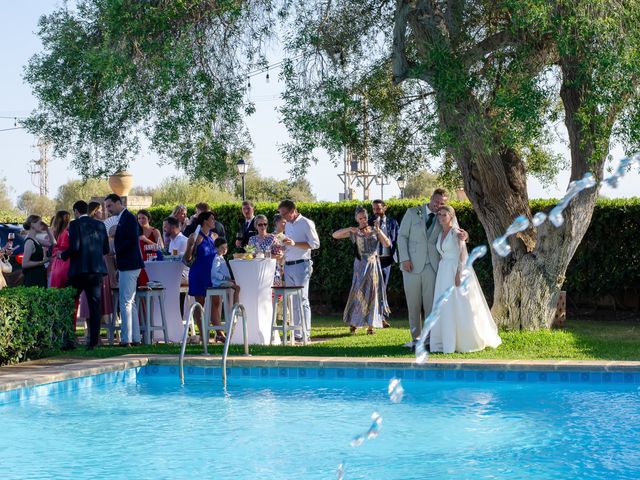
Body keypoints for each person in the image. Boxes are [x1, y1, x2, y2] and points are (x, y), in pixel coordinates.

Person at [397, 188, 467, 350]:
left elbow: (457, 233)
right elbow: (402, 237)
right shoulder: (412, 212)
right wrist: (405, 258)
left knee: (431, 304)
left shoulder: (443, 216)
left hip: (433, 266)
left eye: (442, 203)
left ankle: (428, 339)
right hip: (411, 265)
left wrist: (466, 235)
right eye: (436, 202)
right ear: (431, 198)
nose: (438, 205)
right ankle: (415, 338)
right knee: (413, 304)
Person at [429, 205, 502, 352]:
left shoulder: (457, 233)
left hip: (455, 269)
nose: (441, 218)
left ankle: (464, 340)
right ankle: (444, 340)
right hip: (443, 271)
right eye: (439, 215)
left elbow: (463, 253)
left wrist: (459, 273)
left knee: (459, 303)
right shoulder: (440, 234)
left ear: (451, 216)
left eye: (444, 215)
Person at [60, 200, 110, 349]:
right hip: (96, 271)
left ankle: (69, 340)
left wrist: (63, 255)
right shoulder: (100, 225)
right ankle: (93, 342)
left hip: (79, 271)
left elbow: (75, 247)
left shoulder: (75, 224)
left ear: (76, 211)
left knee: (68, 303)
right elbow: (106, 249)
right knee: (95, 306)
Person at [333, 206, 391, 334]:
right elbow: (335, 235)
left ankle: (371, 326)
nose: (363, 220)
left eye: (364, 218)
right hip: (360, 266)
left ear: (367, 217)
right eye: (360, 218)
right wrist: (348, 229)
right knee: (358, 293)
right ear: (356, 219)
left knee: (373, 293)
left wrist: (379, 230)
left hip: (373, 265)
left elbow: (387, 244)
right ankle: (354, 322)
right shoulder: (354, 232)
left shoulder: (374, 231)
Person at [104, 193, 145, 347]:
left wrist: (115, 251)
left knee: (125, 302)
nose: (108, 209)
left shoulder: (127, 217)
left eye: (109, 206)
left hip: (129, 264)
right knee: (130, 302)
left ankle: (126, 338)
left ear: (118, 203)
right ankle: (134, 338)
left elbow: (132, 241)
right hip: (129, 263)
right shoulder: (124, 218)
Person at [278, 199, 320, 342]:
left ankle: (306, 333)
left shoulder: (306, 223)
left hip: (302, 264)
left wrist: (295, 243)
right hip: (288, 264)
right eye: (281, 214)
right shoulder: (288, 224)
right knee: (293, 300)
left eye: (285, 214)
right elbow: (291, 245)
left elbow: (315, 244)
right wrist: (284, 247)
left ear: (292, 211)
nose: (283, 217)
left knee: (302, 299)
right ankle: (297, 333)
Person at [183, 211, 224, 342]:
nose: (214, 221)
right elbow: (187, 258)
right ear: (205, 221)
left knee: (216, 302)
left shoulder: (214, 236)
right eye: (212, 218)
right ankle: (203, 334)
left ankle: (219, 333)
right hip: (199, 274)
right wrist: (190, 245)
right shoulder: (195, 237)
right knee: (200, 304)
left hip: (212, 275)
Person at [78, 202, 114, 326]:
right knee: (96, 300)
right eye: (100, 210)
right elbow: (106, 249)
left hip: (85, 266)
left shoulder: (80, 225)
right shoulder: (100, 226)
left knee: (91, 300)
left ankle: (93, 335)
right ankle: (94, 335)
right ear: (94, 211)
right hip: (98, 264)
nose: (102, 212)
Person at [370, 199, 399, 328]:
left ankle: (382, 317)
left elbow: (397, 240)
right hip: (372, 260)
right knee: (372, 289)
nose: (376, 211)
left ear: (384, 208)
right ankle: (371, 317)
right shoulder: (368, 222)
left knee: (383, 289)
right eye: (374, 209)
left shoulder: (392, 223)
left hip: (386, 260)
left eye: (378, 209)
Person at [164, 216, 189, 315]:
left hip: (184, 274)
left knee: (164, 281)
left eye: (165, 226)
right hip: (175, 273)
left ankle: (174, 314)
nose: (164, 229)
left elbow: (183, 262)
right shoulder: (172, 241)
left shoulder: (182, 241)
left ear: (173, 227)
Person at [22, 215, 54, 288]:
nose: (41, 225)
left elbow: (53, 243)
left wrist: (47, 229)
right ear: (32, 224)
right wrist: (42, 262)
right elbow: (24, 264)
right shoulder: (29, 241)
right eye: (40, 223)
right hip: (33, 277)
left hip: (40, 275)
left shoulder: (36, 239)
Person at [210, 237, 240, 305]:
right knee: (237, 288)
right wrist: (224, 278)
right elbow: (214, 273)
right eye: (222, 247)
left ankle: (232, 306)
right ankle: (236, 307)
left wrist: (229, 280)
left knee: (235, 284)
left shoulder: (221, 257)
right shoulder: (217, 259)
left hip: (223, 281)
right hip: (219, 283)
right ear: (216, 248)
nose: (225, 249)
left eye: (226, 247)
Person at [49, 210, 71, 288]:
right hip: (65, 262)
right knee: (66, 289)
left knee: (56, 287)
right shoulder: (65, 233)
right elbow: (65, 248)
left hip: (56, 263)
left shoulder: (54, 232)